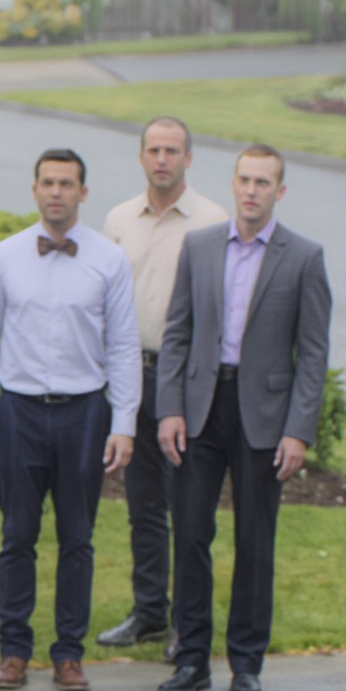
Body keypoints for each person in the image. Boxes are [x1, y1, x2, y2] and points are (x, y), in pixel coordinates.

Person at [0, 148, 140, 691]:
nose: (56, 192)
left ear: (83, 193)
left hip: (85, 412)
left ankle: (68, 653)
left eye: (67, 184)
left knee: (78, 538)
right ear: (34, 190)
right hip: (18, 412)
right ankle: (14, 650)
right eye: (48, 182)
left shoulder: (108, 260)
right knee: (17, 535)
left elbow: (125, 346)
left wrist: (124, 422)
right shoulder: (5, 257)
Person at [156, 145, 331, 691]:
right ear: (232, 185)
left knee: (255, 542)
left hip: (264, 418)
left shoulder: (303, 257)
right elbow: (176, 334)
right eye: (245, 180)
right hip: (201, 410)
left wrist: (299, 430)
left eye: (264, 182)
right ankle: (191, 660)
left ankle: (247, 664)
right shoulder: (200, 246)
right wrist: (170, 408)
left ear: (279, 192)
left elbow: (313, 354)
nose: (252, 191)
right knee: (191, 536)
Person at [98, 117, 229, 654]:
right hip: (133, 377)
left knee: (190, 508)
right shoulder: (119, 219)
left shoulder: (211, 221)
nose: (162, 159)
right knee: (143, 504)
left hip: (188, 383)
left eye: (172, 150)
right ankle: (149, 610)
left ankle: (186, 620)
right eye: (153, 149)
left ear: (188, 159)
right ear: (141, 156)